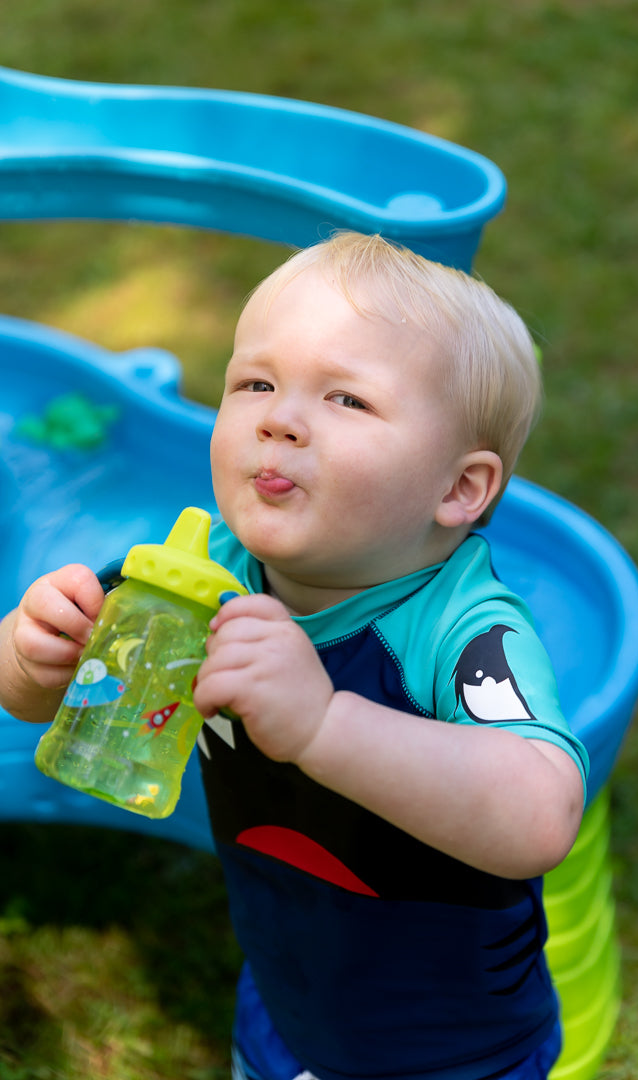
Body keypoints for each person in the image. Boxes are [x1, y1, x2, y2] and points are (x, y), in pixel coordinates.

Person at [0, 232, 589, 1080]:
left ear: (458, 489)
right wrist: (34, 652)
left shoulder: (462, 631)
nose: (277, 417)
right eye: (255, 382)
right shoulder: (194, 578)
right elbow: (25, 701)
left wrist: (320, 723)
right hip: (284, 1002)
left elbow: (539, 816)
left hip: (449, 1045)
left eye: (346, 399)